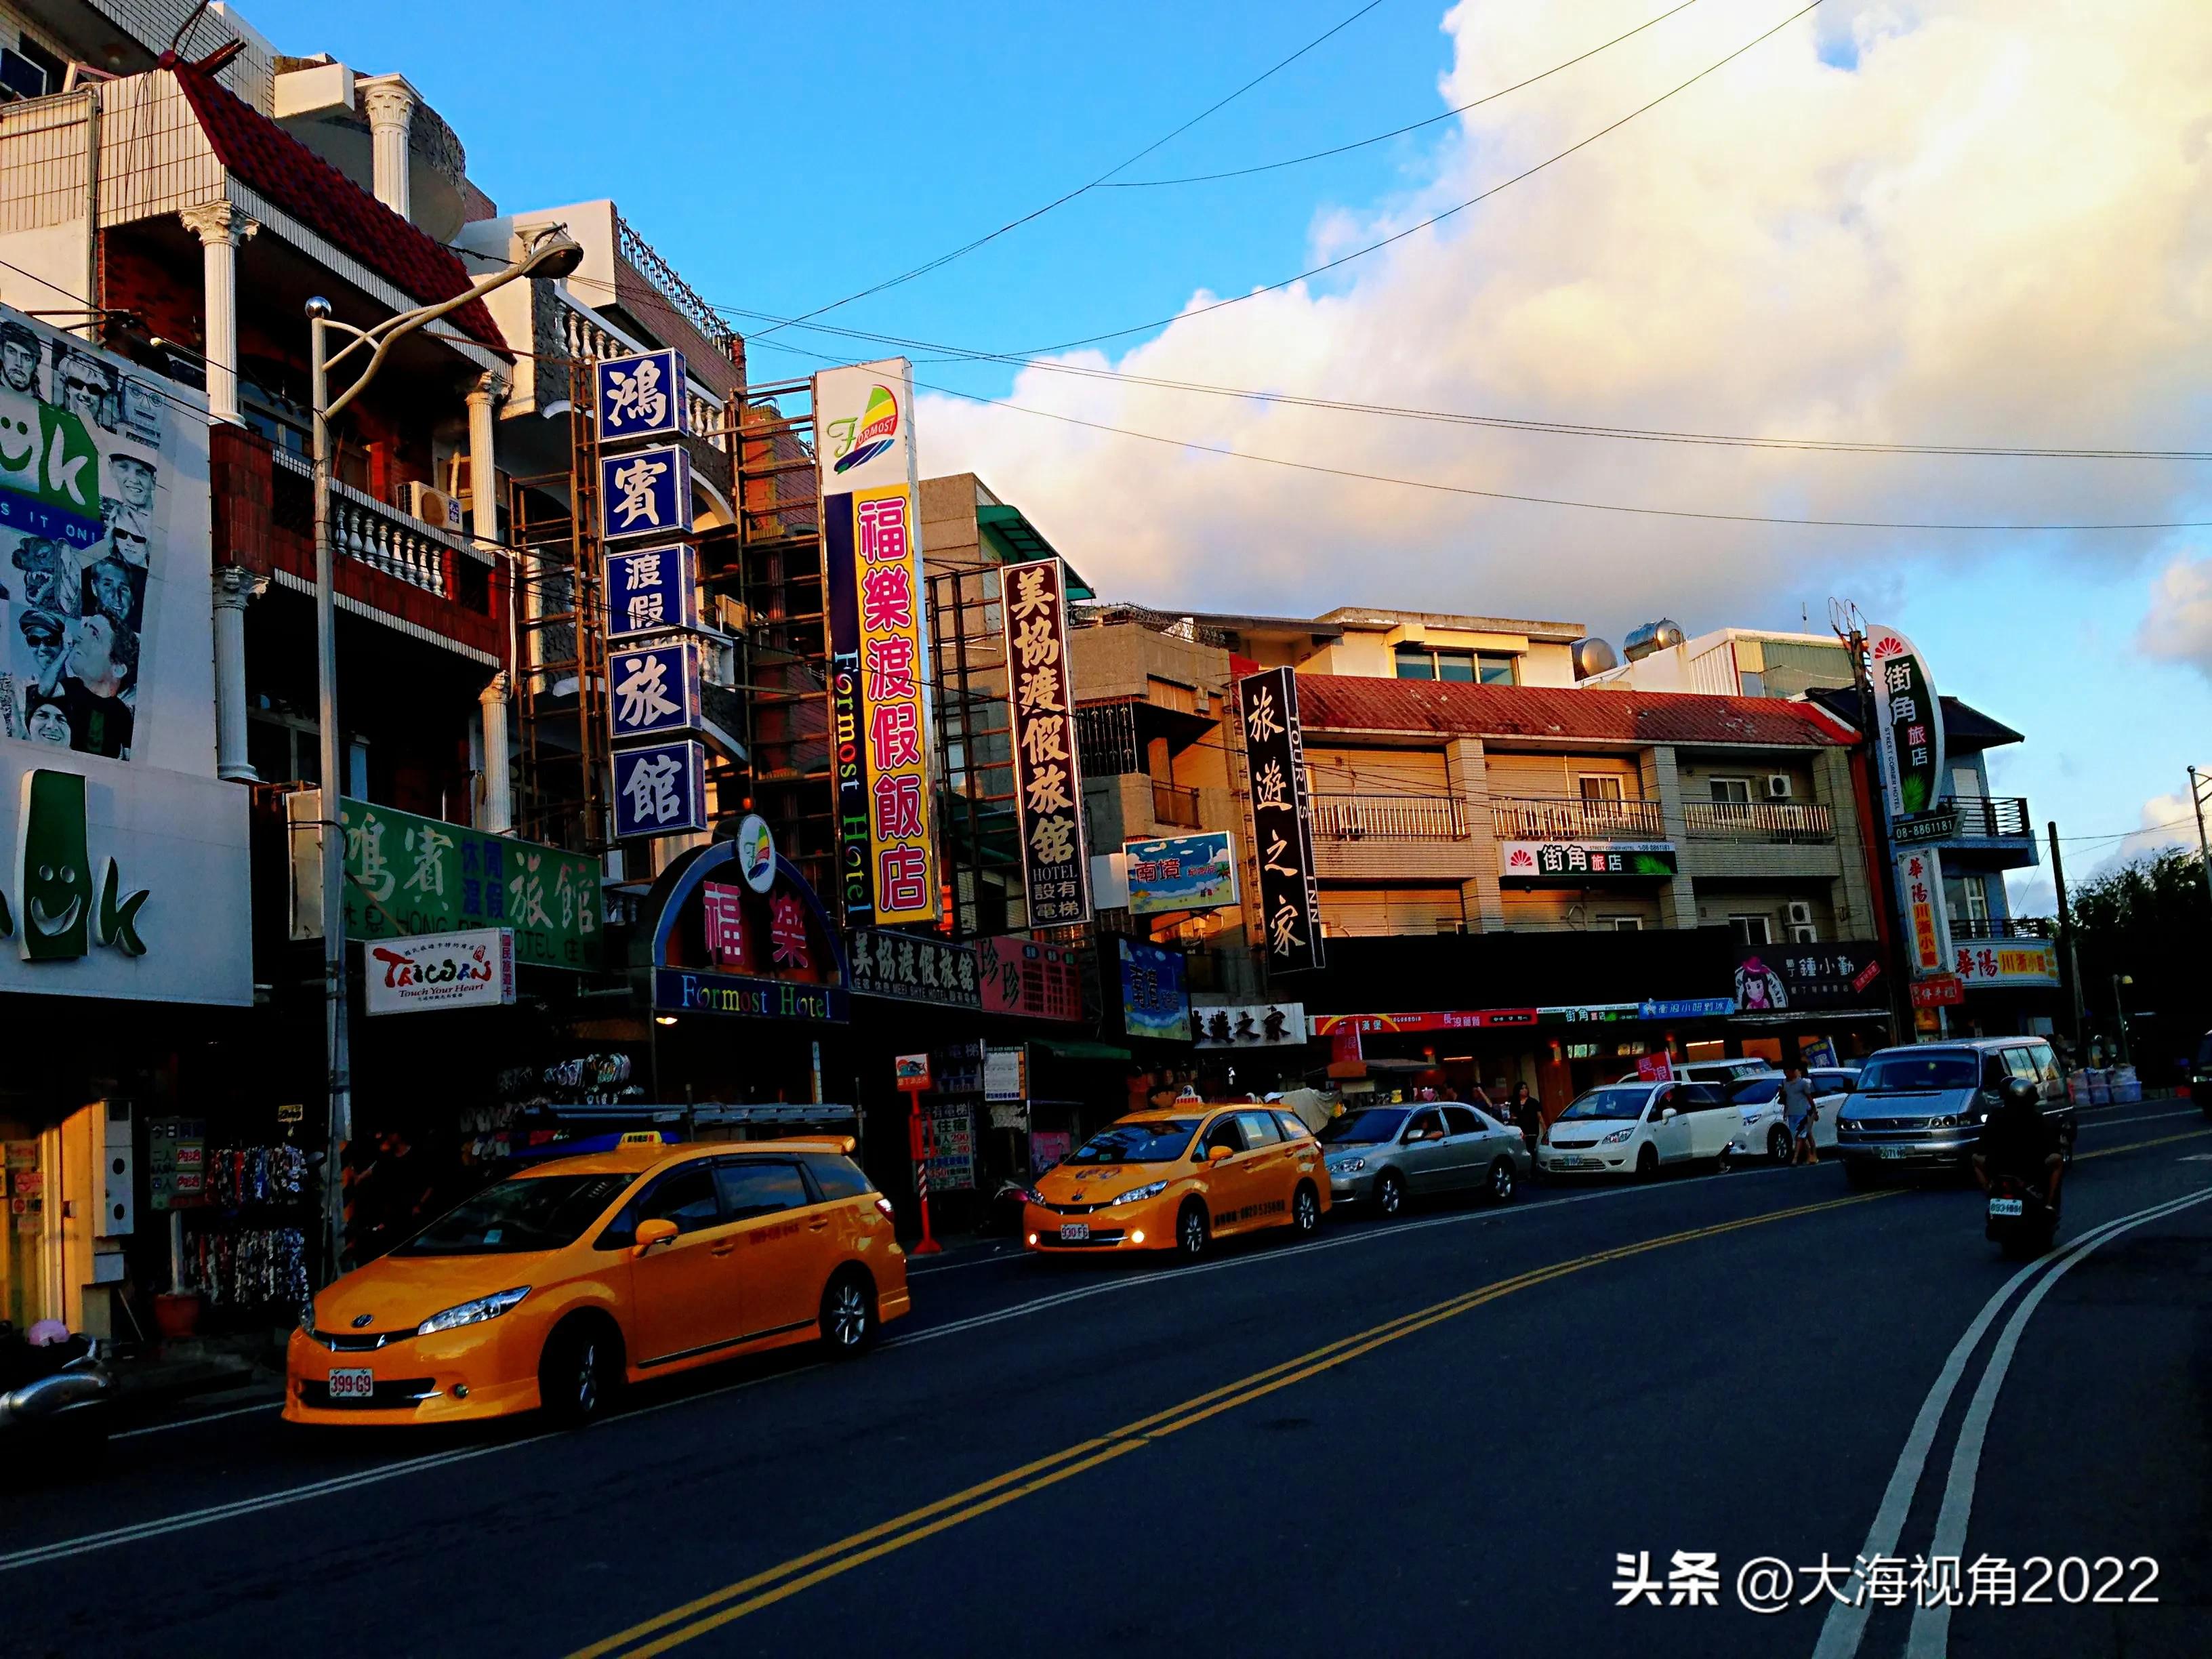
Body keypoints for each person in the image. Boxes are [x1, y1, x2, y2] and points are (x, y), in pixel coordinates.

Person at [1973, 1078, 2064, 1209]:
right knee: (2058, 1161)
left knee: (1975, 1159)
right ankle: (2050, 1205)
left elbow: (1981, 1147)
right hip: (2029, 1168)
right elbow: (2051, 1146)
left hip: (1999, 1166)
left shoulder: (1995, 1117)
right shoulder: (2037, 1119)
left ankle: (1990, 1192)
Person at [59, 612, 136, 758]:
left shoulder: (122, 714)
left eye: (94, 635)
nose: (77, 636)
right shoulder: (67, 691)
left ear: (118, 669)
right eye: (84, 628)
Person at [1782, 1065, 1820, 1165]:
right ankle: (1810, 1156)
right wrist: (1786, 1111)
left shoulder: (1804, 1083)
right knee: (1803, 1137)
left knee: (1803, 1136)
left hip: (1805, 1112)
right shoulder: (1786, 1083)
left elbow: (1810, 1099)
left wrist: (1814, 1112)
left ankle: (1799, 1157)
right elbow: (1787, 1098)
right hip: (1793, 1113)